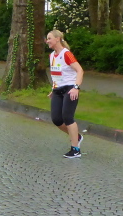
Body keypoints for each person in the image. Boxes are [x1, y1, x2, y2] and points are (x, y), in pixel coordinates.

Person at [47, 29, 85, 159]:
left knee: (68, 117)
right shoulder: (51, 56)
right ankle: (77, 137)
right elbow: (56, 74)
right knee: (57, 119)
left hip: (70, 89)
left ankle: (75, 149)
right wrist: (53, 89)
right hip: (58, 90)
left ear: (57, 39)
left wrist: (76, 87)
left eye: (49, 38)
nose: (47, 41)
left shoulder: (66, 54)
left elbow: (80, 70)